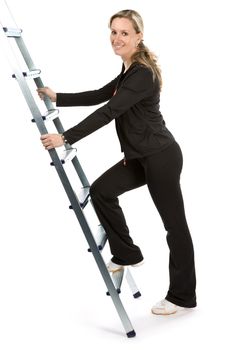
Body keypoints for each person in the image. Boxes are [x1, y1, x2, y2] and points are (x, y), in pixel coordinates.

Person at [37, 9, 196, 315]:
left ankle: (182, 295)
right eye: (113, 31)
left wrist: (66, 137)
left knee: (174, 227)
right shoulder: (129, 70)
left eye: (124, 32)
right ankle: (127, 252)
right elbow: (101, 94)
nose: (117, 38)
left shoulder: (142, 73)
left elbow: (109, 111)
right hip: (139, 157)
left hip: (161, 157)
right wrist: (58, 97)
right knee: (101, 191)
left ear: (139, 36)